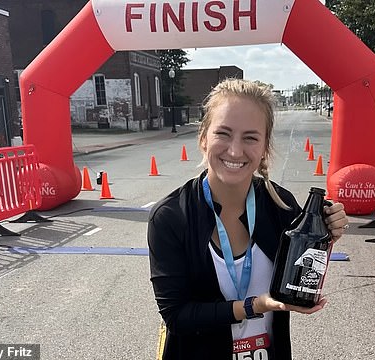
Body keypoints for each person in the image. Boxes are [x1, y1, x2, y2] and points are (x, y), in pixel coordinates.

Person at [147, 79, 349, 359]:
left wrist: (325, 240)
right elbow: (177, 316)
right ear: (203, 138)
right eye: (224, 133)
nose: (234, 150)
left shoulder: (281, 205)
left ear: (265, 146)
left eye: (251, 137)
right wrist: (255, 305)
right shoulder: (171, 216)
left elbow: (298, 281)